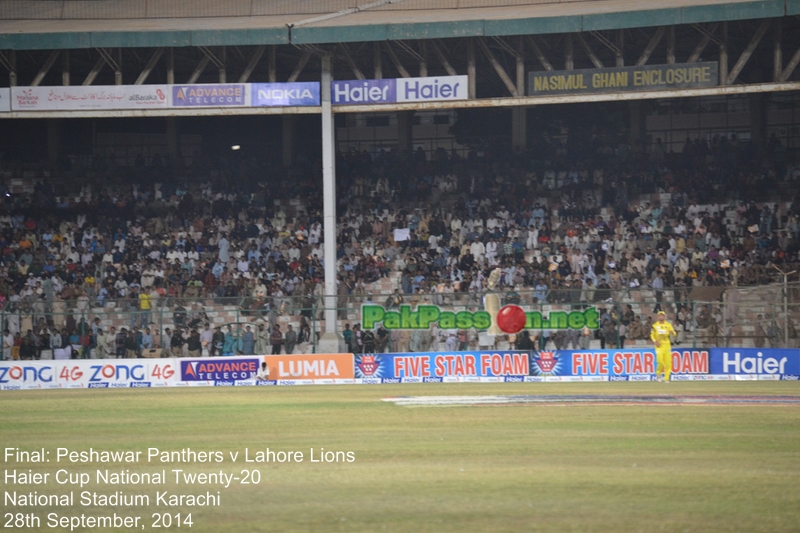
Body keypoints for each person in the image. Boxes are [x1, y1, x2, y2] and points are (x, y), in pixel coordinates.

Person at [650, 310, 677, 382]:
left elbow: (674, 334)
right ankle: (658, 374)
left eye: (662, 315)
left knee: (668, 362)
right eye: (660, 315)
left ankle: (666, 378)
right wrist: (655, 341)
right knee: (660, 361)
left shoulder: (668, 325)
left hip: (667, 345)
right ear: (658, 316)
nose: (661, 317)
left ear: (664, 316)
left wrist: (672, 333)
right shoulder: (655, 325)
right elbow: (652, 335)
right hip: (659, 345)